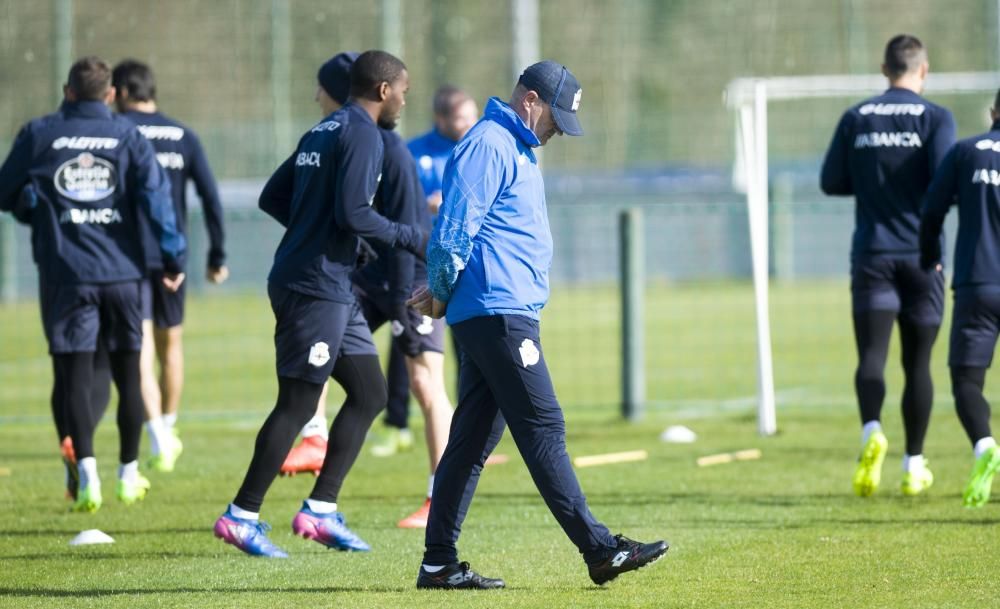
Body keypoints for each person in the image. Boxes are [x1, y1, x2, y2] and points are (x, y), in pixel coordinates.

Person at [408, 60, 668, 589]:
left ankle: (438, 562)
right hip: (498, 313)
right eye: (555, 119)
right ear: (530, 100)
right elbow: (456, 225)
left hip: (499, 311)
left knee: (471, 441)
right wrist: (440, 289)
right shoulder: (489, 144)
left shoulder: (516, 145)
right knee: (543, 427)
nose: (556, 132)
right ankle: (599, 550)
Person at [212, 49, 427, 558]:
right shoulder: (363, 134)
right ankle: (241, 516)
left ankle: (320, 511)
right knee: (298, 403)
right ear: (383, 90)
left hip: (331, 285)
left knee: (370, 392)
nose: (403, 100)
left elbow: (274, 197)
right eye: (403, 90)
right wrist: (407, 237)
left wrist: (322, 232)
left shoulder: (325, 129)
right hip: (313, 286)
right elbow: (354, 213)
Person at [0, 56, 186, 513]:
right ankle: (127, 473)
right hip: (123, 275)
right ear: (109, 95)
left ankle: (86, 476)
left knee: (74, 378)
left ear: (67, 92)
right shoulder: (128, 136)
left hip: (66, 275)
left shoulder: (38, 133)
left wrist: (36, 210)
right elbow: (157, 198)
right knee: (127, 376)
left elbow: (7, 193)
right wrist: (172, 256)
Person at [278, 52, 455, 530]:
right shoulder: (342, 138)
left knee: (425, 384)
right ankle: (314, 437)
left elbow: (409, 232)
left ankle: (441, 497)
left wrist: (408, 297)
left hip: (407, 276)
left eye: (321, 88)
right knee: (320, 343)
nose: (316, 97)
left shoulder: (385, 146)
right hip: (366, 277)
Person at [820, 34, 956, 498]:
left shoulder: (856, 117)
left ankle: (870, 431)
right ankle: (913, 463)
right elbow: (943, 182)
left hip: (873, 255)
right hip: (924, 257)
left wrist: (874, 183)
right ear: (924, 70)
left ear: (884, 69)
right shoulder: (937, 118)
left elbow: (831, 181)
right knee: (918, 364)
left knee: (871, 358)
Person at [112, 59, 230, 473]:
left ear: (124, 91)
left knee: (140, 348)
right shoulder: (182, 135)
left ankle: (158, 435)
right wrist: (216, 255)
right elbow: (211, 198)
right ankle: (168, 425)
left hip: (125, 257)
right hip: (171, 257)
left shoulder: (118, 134)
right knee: (171, 345)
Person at [367, 85, 479, 459]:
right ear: (440, 119)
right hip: (421, 265)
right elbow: (394, 204)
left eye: (471, 116)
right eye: (461, 117)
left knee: (469, 349)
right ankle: (396, 424)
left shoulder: (481, 149)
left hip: (470, 264)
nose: (468, 124)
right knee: (410, 352)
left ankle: (468, 432)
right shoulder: (412, 152)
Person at [920, 90, 1000, 507]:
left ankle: (986, 447)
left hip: (979, 286)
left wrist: (930, 257)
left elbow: (931, 211)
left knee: (967, 381)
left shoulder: (967, 152)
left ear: (993, 113)